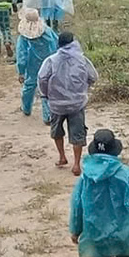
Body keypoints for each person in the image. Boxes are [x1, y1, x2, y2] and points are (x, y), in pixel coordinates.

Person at [37, 30, 97, 175]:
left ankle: (62, 157)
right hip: (77, 103)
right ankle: (76, 164)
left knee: (57, 131)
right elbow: (93, 76)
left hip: (57, 104)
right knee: (77, 134)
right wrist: (83, 87)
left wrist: (46, 94)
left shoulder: (51, 60)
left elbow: (42, 78)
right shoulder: (82, 60)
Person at [15, 6, 59, 121]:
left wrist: (20, 71)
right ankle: (48, 116)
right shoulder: (48, 31)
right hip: (49, 63)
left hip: (32, 66)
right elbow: (57, 44)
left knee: (29, 87)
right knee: (46, 89)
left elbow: (21, 56)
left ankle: (26, 108)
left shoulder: (24, 38)